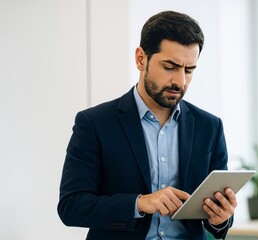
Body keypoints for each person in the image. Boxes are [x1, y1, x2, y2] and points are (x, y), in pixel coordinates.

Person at [58, 10, 237, 240]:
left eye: (189, 70)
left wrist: (221, 218)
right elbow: (71, 206)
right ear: (141, 58)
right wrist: (140, 203)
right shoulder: (94, 123)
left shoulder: (210, 127)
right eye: (170, 67)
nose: (180, 81)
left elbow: (217, 219)